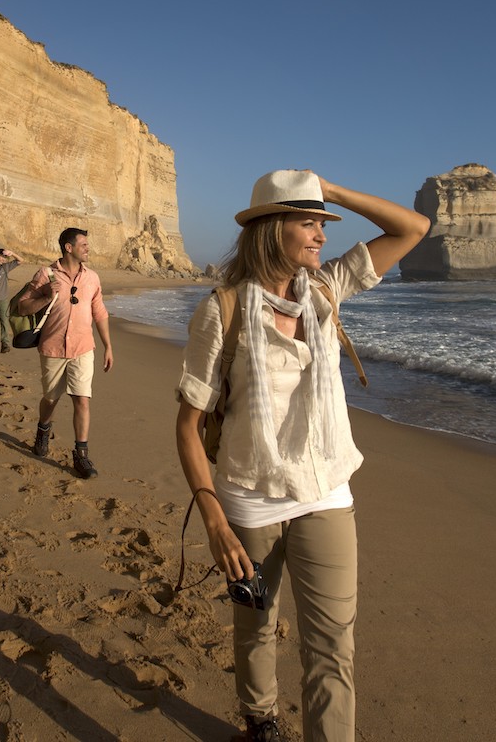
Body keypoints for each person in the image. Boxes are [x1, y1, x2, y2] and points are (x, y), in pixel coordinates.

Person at [175, 170, 429, 742]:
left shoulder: (325, 292)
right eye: (308, 223)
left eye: (322, 224)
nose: (320, 236)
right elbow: (188, 427)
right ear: (271, 229)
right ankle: (259, 719)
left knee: (333, 646)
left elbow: (413, 228)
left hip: (327, 492)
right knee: (256, 627)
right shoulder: (223, 310)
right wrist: (214, 519)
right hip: (249, 496)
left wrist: (330, 193)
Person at [16, 227, 114, 479]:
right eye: (83, 244)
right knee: (50, 398)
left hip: (83, 348)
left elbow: (99, 312)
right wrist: (46, 297)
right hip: (52, 347)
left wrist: (108, 346)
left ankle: (81, 455)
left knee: (82, 399)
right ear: (68, 248)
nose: (88, 248)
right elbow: (23, 306)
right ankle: (43, 429)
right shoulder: (47, 274)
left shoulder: (92, 278)